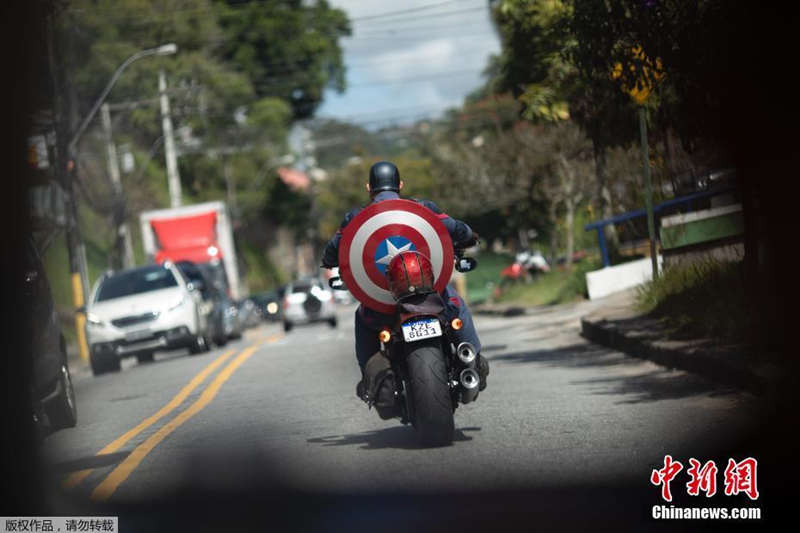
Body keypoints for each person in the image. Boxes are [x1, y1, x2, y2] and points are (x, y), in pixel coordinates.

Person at [321, 161, 489, 401]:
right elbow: (457, 229)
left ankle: (371, 381)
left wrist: (330, 261)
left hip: (382, 306)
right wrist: (469, 236)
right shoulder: (421, 208)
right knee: (456, 304)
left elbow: (331, 251)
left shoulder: (355, 219)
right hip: (432, 296)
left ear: (369, 187)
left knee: (362, 318)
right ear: (400, 184)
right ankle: (474, 360)